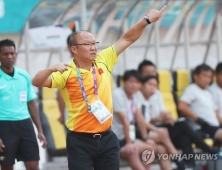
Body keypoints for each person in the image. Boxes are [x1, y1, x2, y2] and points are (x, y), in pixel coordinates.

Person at [32, 6, 166, 170]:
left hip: (107, 138)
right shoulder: (66, 72)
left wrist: (147, 20)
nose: (94, 47)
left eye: (94, 43)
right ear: (74, 49)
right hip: (80, 141)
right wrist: (51, 68)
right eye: (87, 44)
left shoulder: (103, 60)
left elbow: (127, 39)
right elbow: (37, 82)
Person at [138, 60, 219, 168]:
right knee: (183, 125)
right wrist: (161, 119)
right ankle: (207, 149)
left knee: (184, 138)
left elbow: (161, 111)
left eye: (153, 72)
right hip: (150, 130)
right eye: (147, 73)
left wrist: (167, 117)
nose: (151, 76)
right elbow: (143, 120)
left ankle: (188, 166)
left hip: (160, 126)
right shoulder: (138, 96)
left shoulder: (156, 92)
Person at [112, 70, 176, 170]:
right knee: (132, 151)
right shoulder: (117, 94)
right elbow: (125, 120)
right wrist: (129, 143)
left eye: (137, 82)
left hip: (130, 137)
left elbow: (139, 118)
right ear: (124, 82)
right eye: (131, 81)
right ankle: (179, 161)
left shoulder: (135, 95)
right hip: (118, 139)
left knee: (151, 147)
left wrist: (145, 138)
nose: (134, 85)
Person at [0, 39, 47, 170]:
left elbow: (31, 103)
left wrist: (40, 131)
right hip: (4, 126)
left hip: (25, 125)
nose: (10, 57)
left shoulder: (24, 75)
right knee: (7, 166)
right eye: (5, 54)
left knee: (33, 165)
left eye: (12, 53)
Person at [178, 64, 222, 144]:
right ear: (195, 76)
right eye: (204, 76)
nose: (207, 79)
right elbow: (182, 106)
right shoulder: (191, 89)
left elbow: (215, 112)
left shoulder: (207, 92)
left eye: (209, 77)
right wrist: (197, 119)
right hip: (203, 126)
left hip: (215, 125)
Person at [57, 34, 74, 125]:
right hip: (74, 120)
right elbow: (61, 94)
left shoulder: (93, 64)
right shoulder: (65, 67)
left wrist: (62, 115)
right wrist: (62, 115)